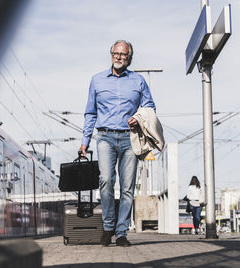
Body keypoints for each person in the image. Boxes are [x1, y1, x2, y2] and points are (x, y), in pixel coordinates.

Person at [79, 40, 156, 247]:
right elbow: (90, 112)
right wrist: (85, 141)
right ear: (111, 54)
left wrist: (138, 117)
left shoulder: (138, 81)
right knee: (105, 180)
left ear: (129, 57)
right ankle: (107, 227)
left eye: (123, 54)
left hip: (130, 138)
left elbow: (149, 106)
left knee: (128, 187)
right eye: (116, 53)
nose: (119, 57)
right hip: (104, 137)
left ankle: (121, 233)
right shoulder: (97, 80)